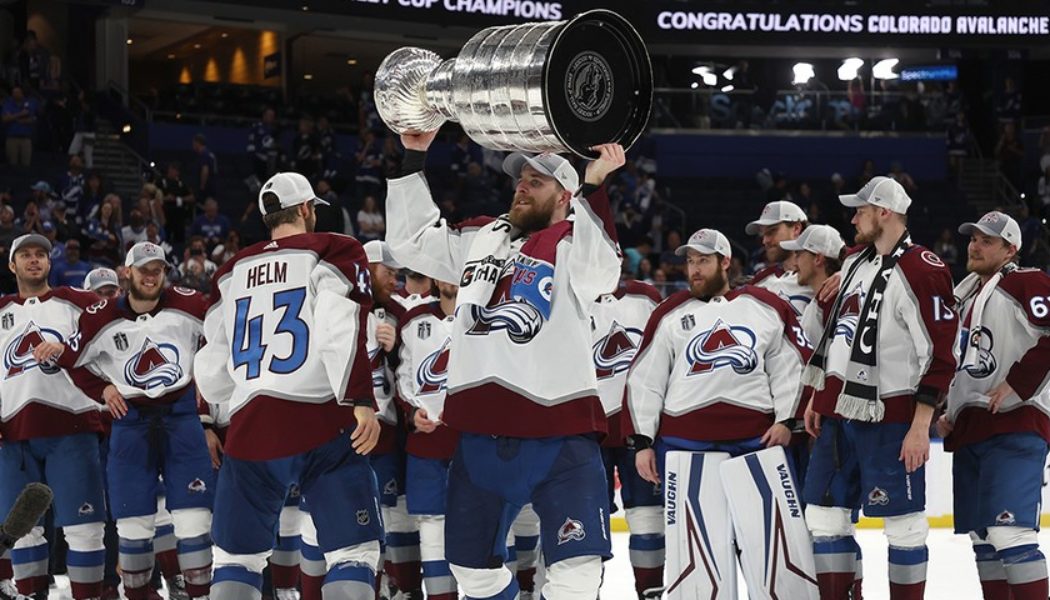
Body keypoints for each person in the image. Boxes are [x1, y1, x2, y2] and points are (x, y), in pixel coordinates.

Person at [386, 129, 625, 599]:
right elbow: (411, 241)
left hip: (559, 431)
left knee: (576, 573)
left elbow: (603, 273)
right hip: (480, 434)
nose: (521, 186)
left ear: (564, 196)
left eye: (536, 181)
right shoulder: (481, 237)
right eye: (520, 179)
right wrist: (413, 154)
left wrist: (595, 185)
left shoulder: (574, 240)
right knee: (469, 571)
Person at [192, 171, 383, 600]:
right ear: (305, 209)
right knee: (353, 553)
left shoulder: (230, 270)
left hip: (249, 428)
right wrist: (360, 399)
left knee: (235, 562)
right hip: (319, 420)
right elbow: (341, 326)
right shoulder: (334, 248)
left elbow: (210, 363)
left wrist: (220, 410)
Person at [623, 228, 812, 598]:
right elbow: (646, 379)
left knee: (771, 553)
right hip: (684, 446)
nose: (694, 270)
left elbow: (790, 366)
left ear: (725, 262)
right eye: (690, 262)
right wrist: (643, 441)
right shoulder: (669, 313)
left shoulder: (765, 305)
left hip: (756, 444)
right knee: (697, 561)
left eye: (703, 261)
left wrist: (787, 420)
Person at [801, 176, 957, 600]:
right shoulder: (855, 263)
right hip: (839, 414)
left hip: (890, 419)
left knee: (904, 525)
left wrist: (920, 425)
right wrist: (822, 395)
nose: (853, 218)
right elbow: (839, 337)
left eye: (861, 211)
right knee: (825, 517)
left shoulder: (922, 269)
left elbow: (941, 354)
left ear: (883, 212)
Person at [34, 242, 217, 600]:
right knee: (133, 525)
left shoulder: (191, 304)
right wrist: (102, 389)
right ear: (127, 272)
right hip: (130, 422)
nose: (151, 276)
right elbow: (72, 360)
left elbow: (221, 338)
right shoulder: (100, 316)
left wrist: (208, 399)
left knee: (195, 519)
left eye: (158, 270)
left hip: (181, 419)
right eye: (144, 269)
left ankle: (200, 595)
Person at [938, 211, 1050, 600]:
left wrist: (1017, 383)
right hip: (971, 427)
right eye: (973, 238)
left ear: (1010, 249)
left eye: (987, 240)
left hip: (1016, 423)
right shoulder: (965, 294)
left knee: (1009, 533)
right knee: (983, 537)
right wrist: (947, 411)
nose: (975, 245)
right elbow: (960, 361)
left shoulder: (1026, 280)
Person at [0, 233, 108, 599]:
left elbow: (114, 340)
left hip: (72, 427)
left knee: (85, 526)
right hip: (13, 434)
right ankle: (30, 594)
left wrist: (69, 349)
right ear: (12, 265)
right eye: (25, 255)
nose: (34, 260)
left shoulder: (79, 303)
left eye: (41, 255)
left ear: (50, 263)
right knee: (22, 528)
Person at [358, 240, 424, 599]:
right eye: (389, 272)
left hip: (387, 432)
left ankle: (406, 588)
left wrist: (396, 350)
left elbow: (412, 375)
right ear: (367, 268)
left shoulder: (401, 314)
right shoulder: (339, 307)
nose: (395, 280)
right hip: (345, 431)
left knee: (396, 513)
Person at [591, 278, 663, 599]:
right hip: (588, 430)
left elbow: (662, 355)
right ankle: (585, 590)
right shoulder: (570, 296)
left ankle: (650, 593)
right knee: (587, 523)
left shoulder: (644, 297)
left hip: (639, 427)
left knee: (647, 516)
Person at [395, 279, 461, 600]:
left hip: (474, 446)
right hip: (428, 446)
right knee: (432, 533)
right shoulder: (414, 320)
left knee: (486, 533)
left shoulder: (487, 317)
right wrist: (411, 413)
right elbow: (403, 377)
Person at [779, 225, 846, 345]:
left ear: (818, 259)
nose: (794, 263)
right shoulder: (824, 301)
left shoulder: (832, 302)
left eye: (798, 254)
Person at [745, 200, 812, 315]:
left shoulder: (824, 275)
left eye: (771, 231)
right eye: (763, 234)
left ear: (796, 229)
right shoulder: (760, 280)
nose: (765, 241)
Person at [2, 84, 38, 167]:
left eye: (17, 92)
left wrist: (12, 117)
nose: (15, 94)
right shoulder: (8, 104)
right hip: (12, 138)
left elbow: (32, 118)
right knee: (12, 164)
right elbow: (5, 119)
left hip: (26, 138)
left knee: (26, 165)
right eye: (14, 92)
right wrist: (20, 114)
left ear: (22, 93)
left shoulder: (29, 103)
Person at [192, 134, 217, 204]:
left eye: (194, 143)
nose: (193, 145)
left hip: (206, 189)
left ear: (198, 143)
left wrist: (202, 186)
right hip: (212, 186)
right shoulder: (210, 154)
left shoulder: (204, 154)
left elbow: (205, 170)